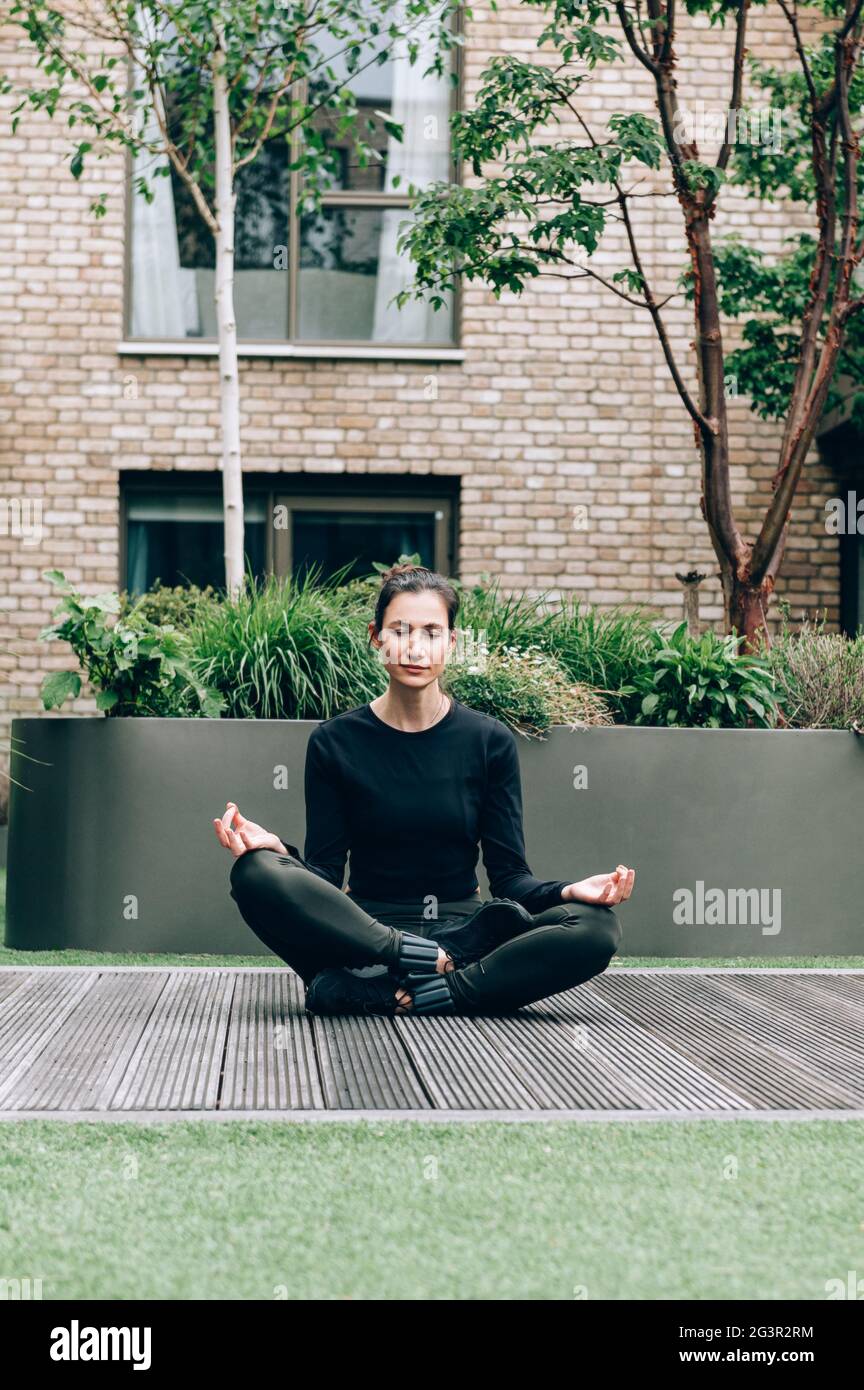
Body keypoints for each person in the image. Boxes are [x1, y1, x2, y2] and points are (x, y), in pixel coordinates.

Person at [213, 563, 635, 1017]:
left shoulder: (489, 741)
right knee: (253, 873)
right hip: (363, 932)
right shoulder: (335, 742)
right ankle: (417, 967)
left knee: (595, 927)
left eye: (432, 632)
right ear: (377, 637)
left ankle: (434, 988)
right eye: (400, 630)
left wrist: (572, 891)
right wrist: (279, 854)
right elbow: (325, 878)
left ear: (451, 643)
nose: (415, 647)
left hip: (466, 932)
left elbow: (511, 879)